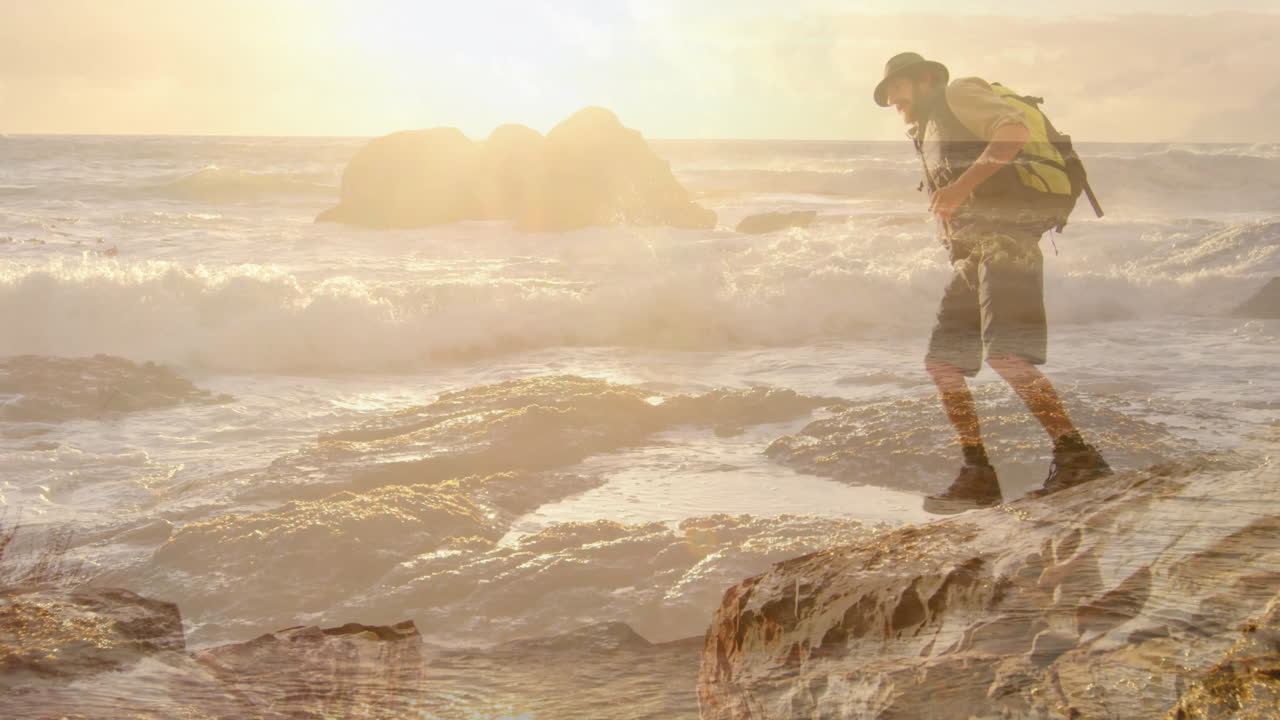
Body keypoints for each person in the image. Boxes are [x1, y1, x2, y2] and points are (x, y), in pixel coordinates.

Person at [873, 52, 1112, 514]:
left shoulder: (959, 93)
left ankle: (1078, 457)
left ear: (925, 79)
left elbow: (1013, 134)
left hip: (1008, 239)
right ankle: (978, 474)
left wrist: (960, 187)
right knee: (943, 363)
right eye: (888, 94)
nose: (893, 100)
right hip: (973, 256)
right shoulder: (928, 131)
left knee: (1006, 355)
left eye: (897, 88)